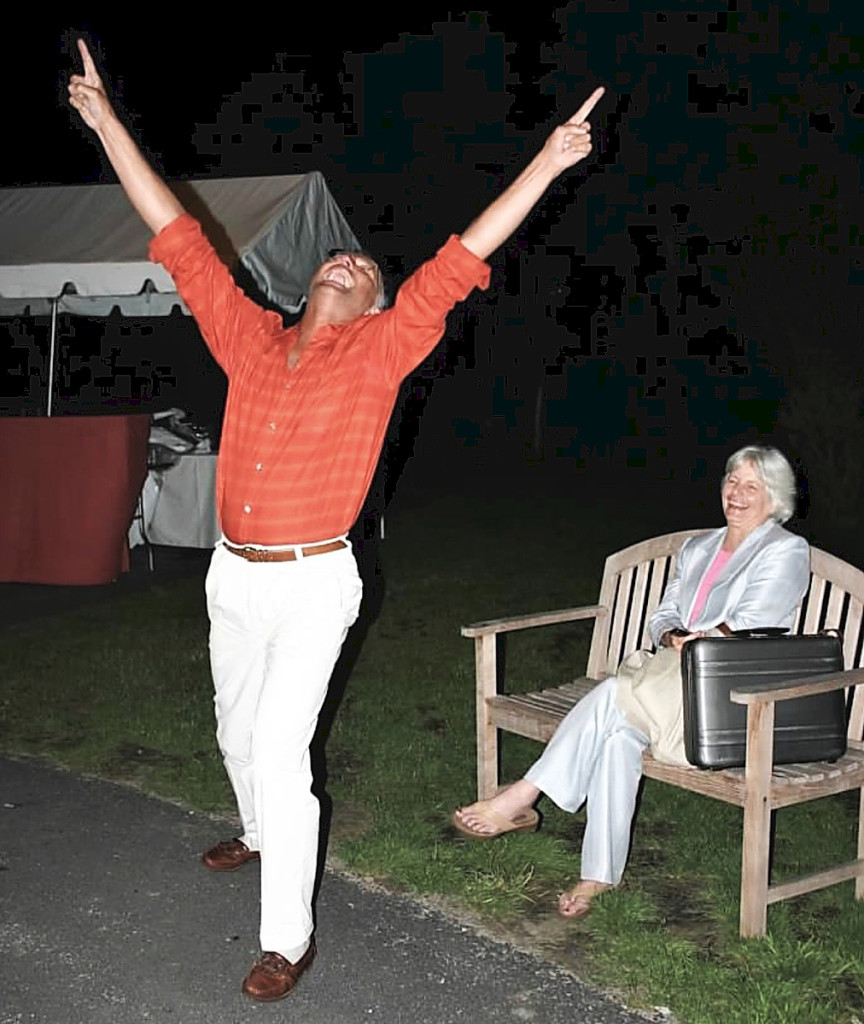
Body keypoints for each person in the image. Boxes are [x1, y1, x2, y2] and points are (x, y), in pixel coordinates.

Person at [68, 38, 605, 1001]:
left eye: (362, 269)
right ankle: (261, 830)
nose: (346, 260)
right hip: (233, 571)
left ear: (372, 309)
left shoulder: (381, 353)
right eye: (339, 257)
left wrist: (549, 161)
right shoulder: (248, 338)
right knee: (236, 735)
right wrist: (107, 122)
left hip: (318, 579)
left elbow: (464, 255)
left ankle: (287, 937)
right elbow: (178, 234)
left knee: (282, 749)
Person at [453, 445, 810, 919]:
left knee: (611, 696)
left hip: (730, 703)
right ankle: (597, 876)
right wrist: (670, 632)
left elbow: (754, 621)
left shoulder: (785, 549)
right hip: (672, 685)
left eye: (752, 486)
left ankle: (523, 795)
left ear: (775, 497)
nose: (736, 494)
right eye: (731, 480)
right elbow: (663, 613)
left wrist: (699, 638)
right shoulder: (700, 547)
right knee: (617, 736)